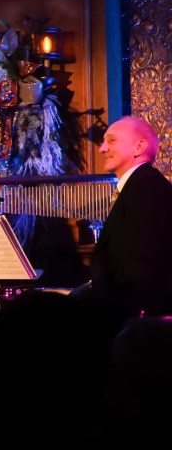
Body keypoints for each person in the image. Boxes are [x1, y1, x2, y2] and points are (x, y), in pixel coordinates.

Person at [72, 115, 172, 319]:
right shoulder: (139, 185)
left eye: (112, 140)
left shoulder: (146, 187)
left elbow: (142, 265)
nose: (102, 149)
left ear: (139, 147)